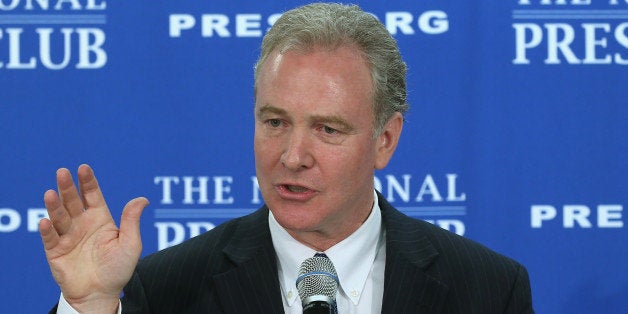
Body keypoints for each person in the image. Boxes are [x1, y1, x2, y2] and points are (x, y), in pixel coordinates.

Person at [40, 3, 534, 313]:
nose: (293, 156)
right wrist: (91, 306)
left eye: (327, 129)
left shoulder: (488, 290)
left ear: (386, 139)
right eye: (275, 122)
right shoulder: (167, 288)